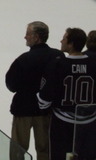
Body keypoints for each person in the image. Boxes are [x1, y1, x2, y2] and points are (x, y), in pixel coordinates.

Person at [5, 22, 62, 160]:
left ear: (36, 37)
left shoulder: (23, 59)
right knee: (45, 149)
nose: (25, 37)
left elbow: (11, 85)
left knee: (18, 149)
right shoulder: (57, 56)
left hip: (23, 110)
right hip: (46, 111)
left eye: (28, 34)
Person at [37, 28, 96, 160]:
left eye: (64, 38)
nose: (61, 41)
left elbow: (44, 100)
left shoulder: (58, 64)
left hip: (62, 125)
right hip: (89, 124)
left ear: (71, 44)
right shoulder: (94, 64)